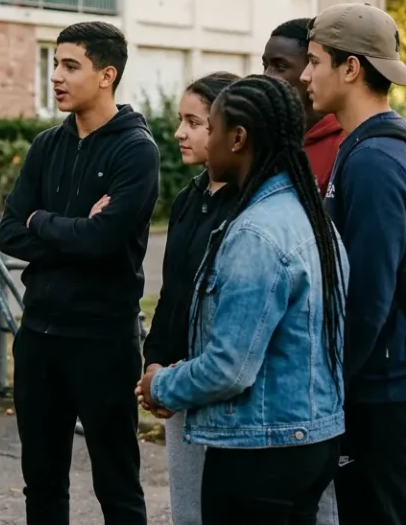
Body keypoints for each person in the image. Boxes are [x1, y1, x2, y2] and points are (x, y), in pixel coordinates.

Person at [136, 74, 349, 525]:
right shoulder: (311, 218)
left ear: (237, 139)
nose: (202, 139)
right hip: (312, 439)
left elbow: (229, 367)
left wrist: (160, 385)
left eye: (210, 128)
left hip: (260, 451)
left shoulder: (256, 232)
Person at [0, 21, 159, 525]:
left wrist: (41, 222)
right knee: (42, 482)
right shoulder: (47, 145)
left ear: (107, 75)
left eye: (71, 66)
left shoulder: (135, 150)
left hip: (102, 340)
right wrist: (73, 228)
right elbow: (9, 233)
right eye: (55, 64)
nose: (56, 76)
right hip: (38, 337)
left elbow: (102, 241)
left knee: (117, 484)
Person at [300, 3, 406, 525]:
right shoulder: (373, 147)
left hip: (384, 393)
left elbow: (367, 298)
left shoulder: (375, 161)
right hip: (385, 385)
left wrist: (327, 385)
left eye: (315, 61)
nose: (306, 75)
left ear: (351, 68)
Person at [141, 71, 241, 525]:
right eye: (181, 120)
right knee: (188, 510)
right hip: (176, 383)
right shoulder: (188, 198)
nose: (180, 133)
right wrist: (154, 365)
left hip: (220, 387)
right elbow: (172, 293)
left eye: (194, 123)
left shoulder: (248, 208)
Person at [263, 18, 345, 194]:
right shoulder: (263, 139)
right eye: (265, 65)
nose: (266, 76)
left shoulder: (344, 146)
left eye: (280, 66)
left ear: (311, 68)